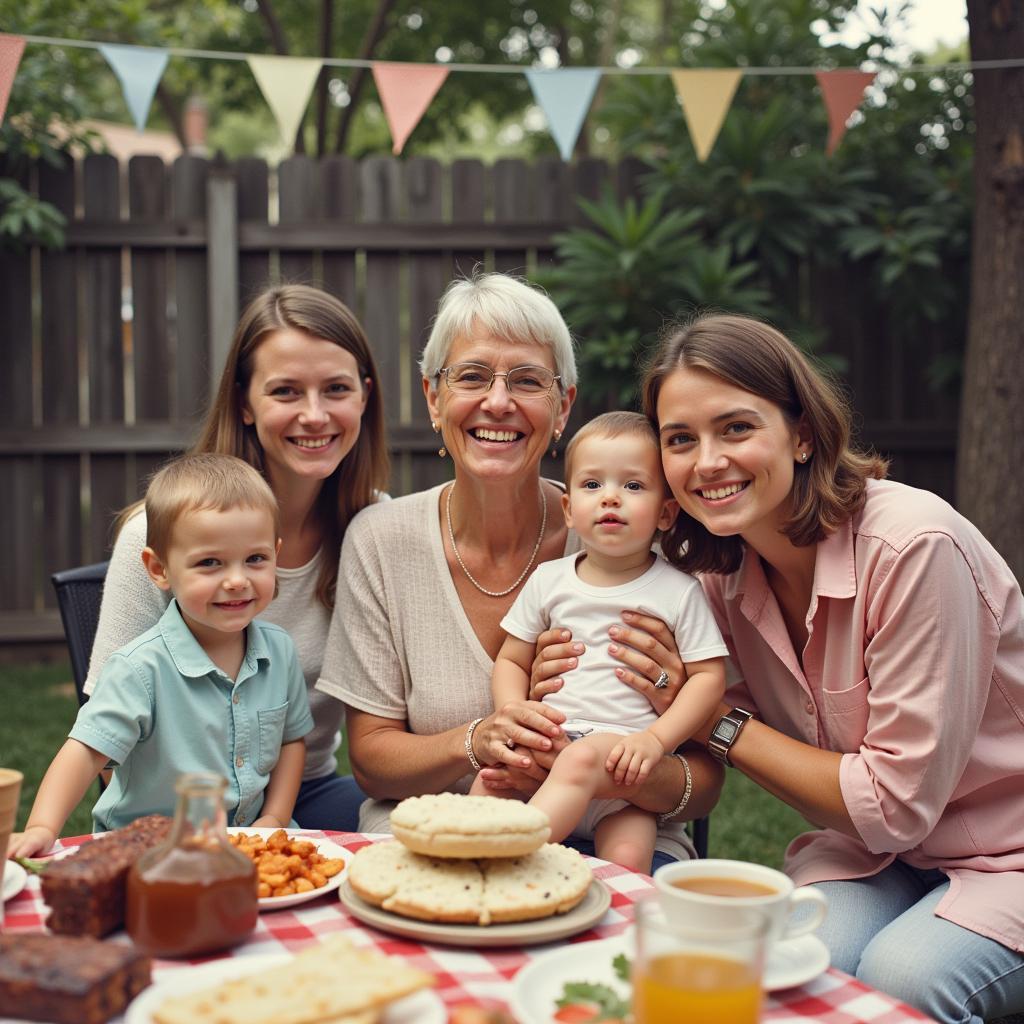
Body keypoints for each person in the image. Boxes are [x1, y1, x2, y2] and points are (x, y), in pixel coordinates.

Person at [603, 312, 1023, 1024]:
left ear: (801, 435)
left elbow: (893, 805)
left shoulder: (912, 548)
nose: (707, 461)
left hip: (1008, 852)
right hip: (870, 856)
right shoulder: (720, 578)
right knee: (791, 974)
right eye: (681, 439)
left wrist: (710, 713)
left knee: (903, 980)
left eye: (735, 428)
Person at [316, 272, 723, 871]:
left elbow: (705, 784)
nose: (498, 402)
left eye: (528, 380)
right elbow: (371, 761)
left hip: (618, 834)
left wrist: (624, 760)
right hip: (437, 834)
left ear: (562, 407)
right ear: (433, 398)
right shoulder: (381, 542)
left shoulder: (638, 544)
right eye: (472, 376)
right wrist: (478, 740)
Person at [82, 284, 389, 831]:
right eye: (287, 391)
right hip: (181, 806)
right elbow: (106, 745)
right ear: (245, 402)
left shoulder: (375, 531)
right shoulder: (153, 536)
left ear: (364, 397)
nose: (315, 415)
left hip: (306, 787)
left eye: (336, 389)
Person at [10, 454, 313, 856]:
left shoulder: (279, 651)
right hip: (145, 849)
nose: (238, 580)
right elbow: (85, 751)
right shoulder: (140, 668)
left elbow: (292, 740)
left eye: (255, 559)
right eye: (210, 563)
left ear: (276, 554)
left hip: (248, 844)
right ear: (159, 569)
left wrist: (274, 819)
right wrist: (42, 826)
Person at [470, 411, 728, 872]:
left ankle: (511, 859)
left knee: (628, 859)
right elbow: (511, 658)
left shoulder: (679, 591)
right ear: (569, 509)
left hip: (625, 764)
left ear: (666, 512)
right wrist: (513, 713)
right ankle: (472, 863)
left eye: (632, 486)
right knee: (489, 784)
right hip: (549, 749)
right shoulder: (550, 581)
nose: (610, 497)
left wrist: (655, 740)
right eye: (592, 485)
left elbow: (708, 679)